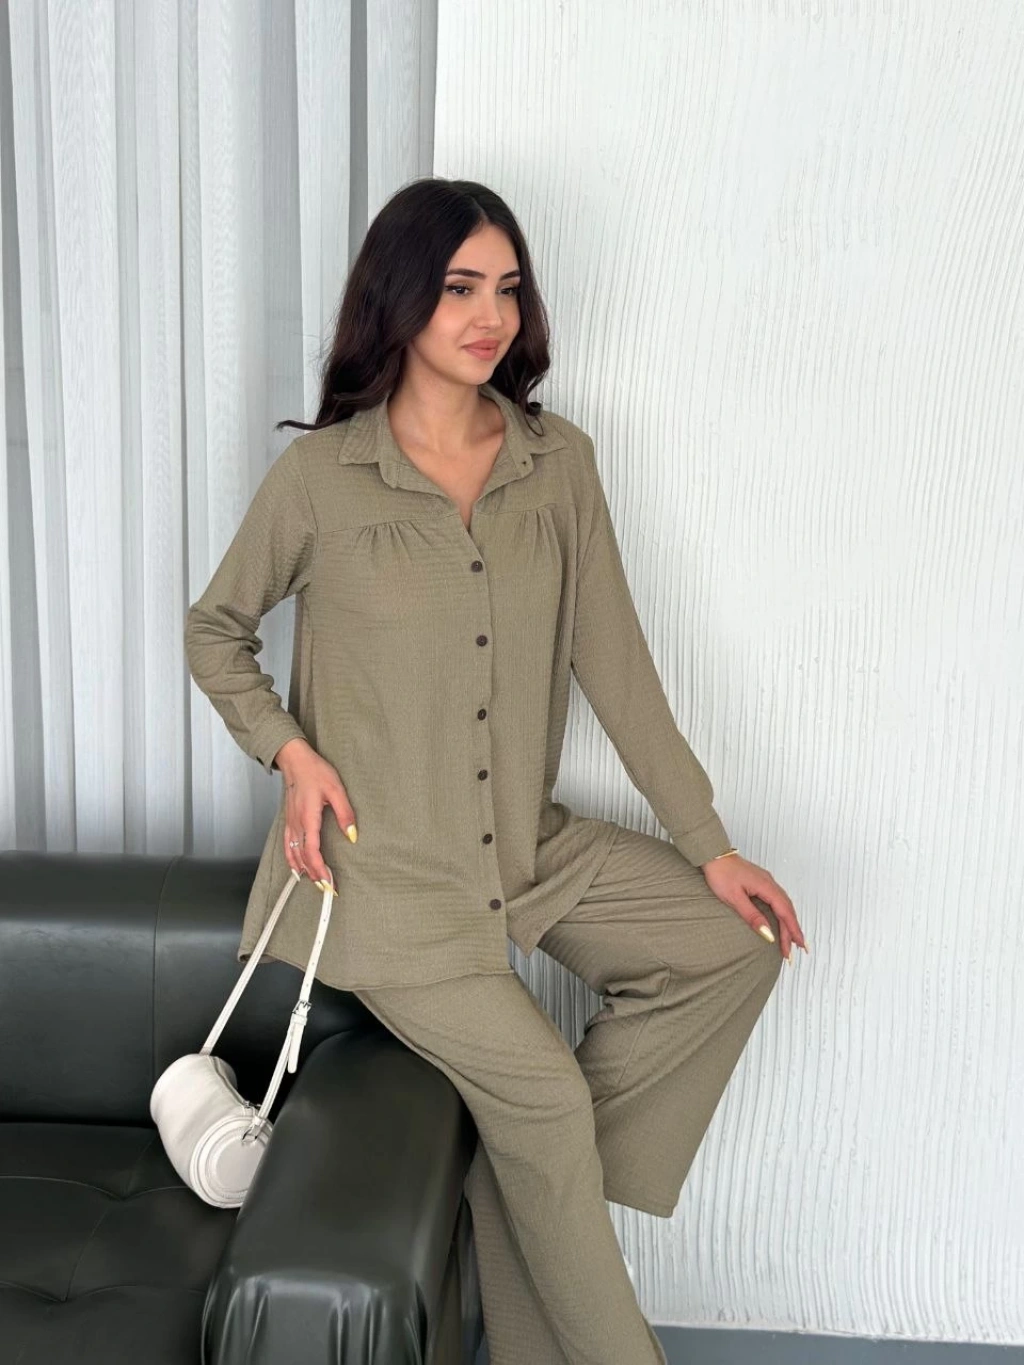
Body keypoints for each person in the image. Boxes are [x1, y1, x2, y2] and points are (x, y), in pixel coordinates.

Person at [185, 176, 807, 1365]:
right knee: (546, 1108)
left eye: (507, 289)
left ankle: (525, 1178)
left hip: (523, 843)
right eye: (460, 288)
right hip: (388, 884)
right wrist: (290, 752)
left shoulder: (555, 463)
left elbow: (616, 667)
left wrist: (709, 845)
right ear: (399, 298)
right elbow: (215, 631)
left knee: (728, 947)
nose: (490, 316)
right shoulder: (323, 479)